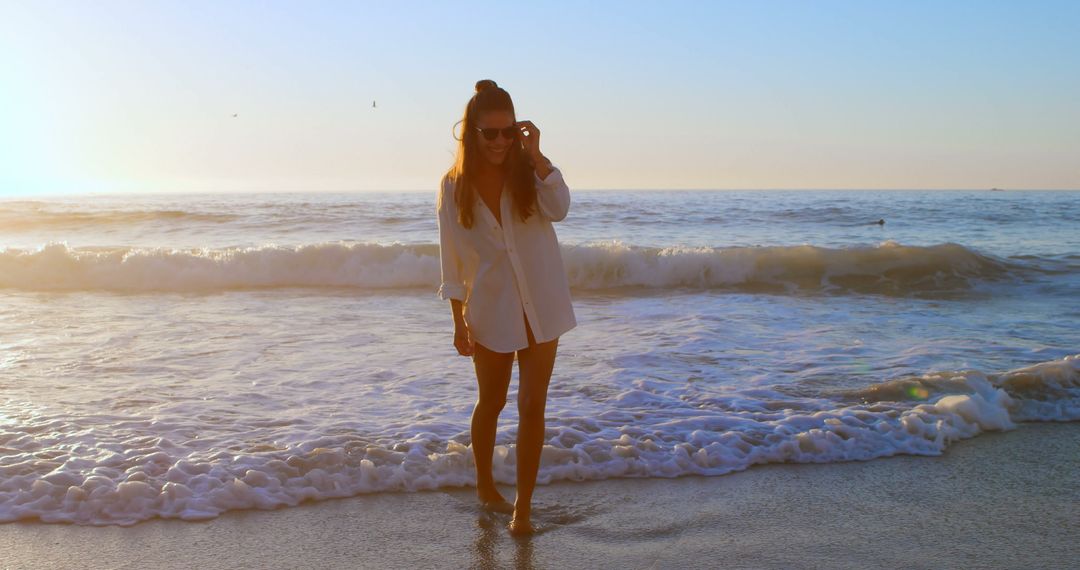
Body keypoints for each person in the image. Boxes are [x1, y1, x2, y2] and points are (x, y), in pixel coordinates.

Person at [436, 79, 576, 535]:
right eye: (489, 133)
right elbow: (451, 260)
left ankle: (524, 508)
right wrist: (458, 321)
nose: (499, 141)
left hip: (544, 304)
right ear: (470, 132)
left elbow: (561, 208)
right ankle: (484, 487)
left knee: (533, 405)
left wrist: (537, 156)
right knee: (491, 402)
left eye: (507, 131)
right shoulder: (454, 186)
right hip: (491, 310)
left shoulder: (529, 172)